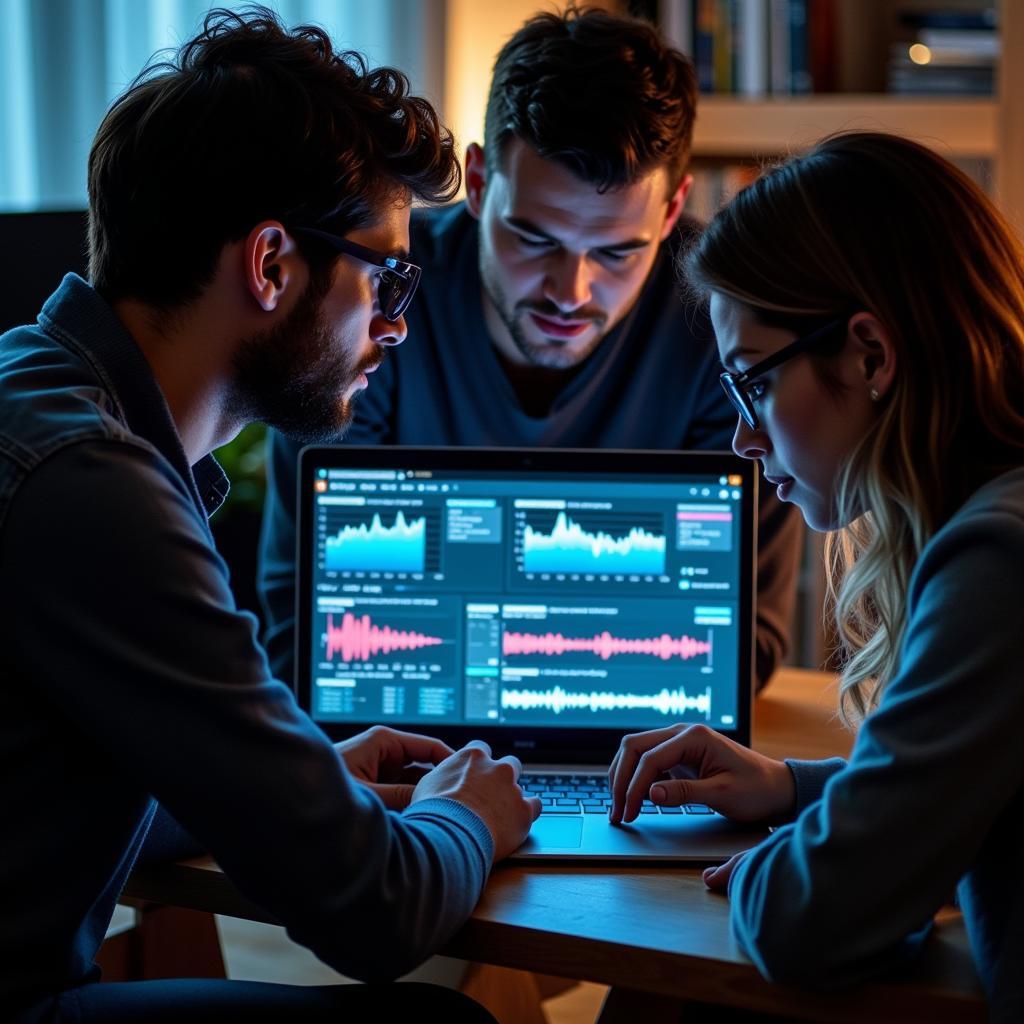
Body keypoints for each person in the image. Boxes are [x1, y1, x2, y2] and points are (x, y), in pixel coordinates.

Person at [0, 9, 541, 1022]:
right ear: (269, 264)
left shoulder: (35, 394)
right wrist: (469, 816)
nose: (395, 325)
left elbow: (56, 773)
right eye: (385, 276)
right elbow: (375, 912)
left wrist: (300, 785)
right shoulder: (96, 486)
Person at [259, 5, 803, 691]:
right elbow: (306, 620)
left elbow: (739, 639)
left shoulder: (724, 326)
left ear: (671, 212)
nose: (570, 292)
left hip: (639, 759)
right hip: (395, 742)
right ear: (480, 185)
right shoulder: (369, 299)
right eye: (536, 239)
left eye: (616, 251)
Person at [608, 132, 1024, 1020]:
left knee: (664, 999)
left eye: (750, 384)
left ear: (870, 355)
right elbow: (979, 787)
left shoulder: (998, 559)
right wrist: (794, 788)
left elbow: (810, 919)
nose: (742, 439)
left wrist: (781, 861)